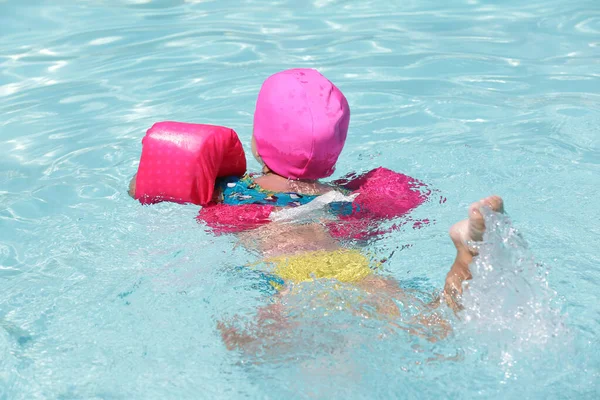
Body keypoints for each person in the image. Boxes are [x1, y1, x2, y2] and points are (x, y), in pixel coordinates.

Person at [128, 68, 505, 346]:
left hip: (294, 275)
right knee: (434, 331)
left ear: (257, 144)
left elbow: (142, 187)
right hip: (350, 265)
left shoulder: (230, 192)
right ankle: (465, 256)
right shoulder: (347, 195)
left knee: (244, 350)